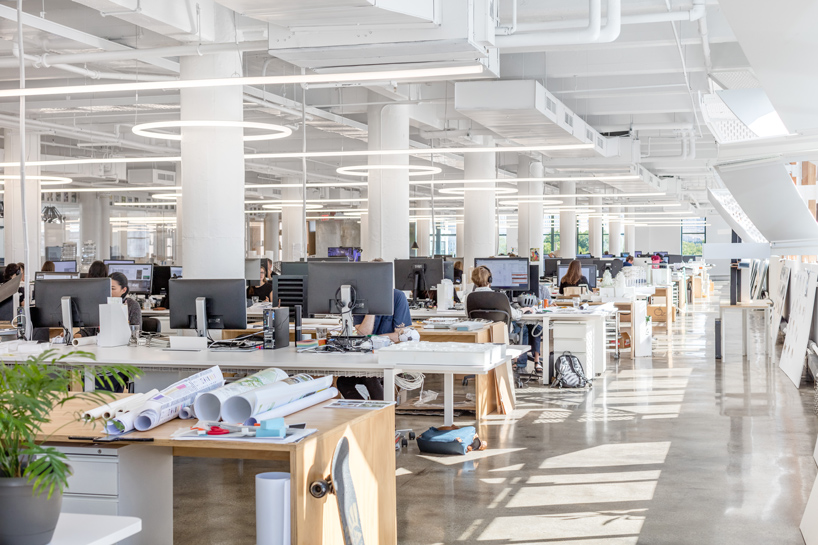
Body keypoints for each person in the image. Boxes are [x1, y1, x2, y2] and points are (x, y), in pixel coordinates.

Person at [336, 265, 413, 401]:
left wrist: (372, 340)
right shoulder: (359, 300)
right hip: (364, 356)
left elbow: (398, 336)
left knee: (370, 377)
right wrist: (372, 306)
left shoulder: (397, 297)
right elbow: (363, 333)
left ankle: (383, 416)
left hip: (387, 355)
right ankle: (366, 412)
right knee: (343, 382)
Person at [468, 266, 541, 371]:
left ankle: (518, 363)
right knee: (523, 328)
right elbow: (516, 315)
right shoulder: (499, 297)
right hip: (499, 333)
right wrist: (524, 309)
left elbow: (468, 316)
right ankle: (520, 365)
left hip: (479, 333)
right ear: (490, 280)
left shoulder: (469, 297)